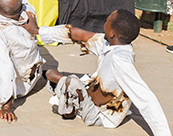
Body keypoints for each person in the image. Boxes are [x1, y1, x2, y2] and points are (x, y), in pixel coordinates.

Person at [21, 9, 171, 135]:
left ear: (112, 33)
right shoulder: (110, 43)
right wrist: (38, 30)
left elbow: (146, 99)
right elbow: (78, 34)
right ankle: (61, 86)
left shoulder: (121, 60)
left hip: (100, 114)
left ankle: (70, 106)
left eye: (107, 21)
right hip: (93, 92)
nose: (103, 24)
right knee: (53, 76)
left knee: (61, 79)